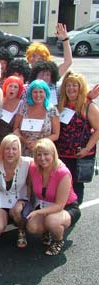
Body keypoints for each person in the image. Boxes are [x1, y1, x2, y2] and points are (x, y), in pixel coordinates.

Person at [26, 138, 81, 256]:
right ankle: (47, 230)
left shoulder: (63, 173)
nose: (42, 158)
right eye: (39, 154)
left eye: (46, 154)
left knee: (52, 221)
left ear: (53, 154)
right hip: (45, 205)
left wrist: (37, 212)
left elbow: (59, 205)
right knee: (31, 226)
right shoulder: (33, 167)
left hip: (66, 207)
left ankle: (58, 240)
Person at [55, 71, 99, 205]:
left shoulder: (88, 106)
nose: (71, 88)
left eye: (75, 85)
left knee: (77, 186)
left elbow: (98, 129)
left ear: (81, 88)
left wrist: (87, 148)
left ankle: (74, 210)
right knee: (62, 182)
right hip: (62, 153)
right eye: (68, 85)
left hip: (80, 155)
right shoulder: (61, 104)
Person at [0, 135, 31, 248]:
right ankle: (7, 217)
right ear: (2, 150)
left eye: (14, 149)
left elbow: (47, 161)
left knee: (17, 211)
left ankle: (21, 229)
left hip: (19, 199)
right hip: (0, 200)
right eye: (7, 148)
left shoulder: (27, 163)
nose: (10, 152)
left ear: (19, 150)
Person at [13, 79, 60, 157]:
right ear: (30, 93)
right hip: (24, 151)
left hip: (44, 153)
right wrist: (25, 141)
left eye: (41, 92)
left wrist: (38, 143)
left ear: (46, 93)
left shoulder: (52, 110)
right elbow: (15, 128)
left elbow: (56, 134)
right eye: (35, 92)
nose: (38, 95)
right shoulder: (24, 107)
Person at [0, 76, 24, 143]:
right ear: (5, 87)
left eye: (15, 87)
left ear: (19, 90)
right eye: (10, 86)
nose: (12, 89)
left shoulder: (21, 104)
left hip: (9, 141)